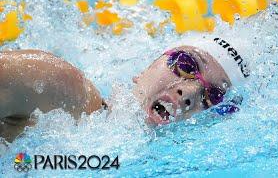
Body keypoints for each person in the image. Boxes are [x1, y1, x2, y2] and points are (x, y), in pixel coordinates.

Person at [0, 37, 250, 142]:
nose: (190, 93)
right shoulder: (60, 86)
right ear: (144, 70)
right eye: (186, 64)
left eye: (214, 96)